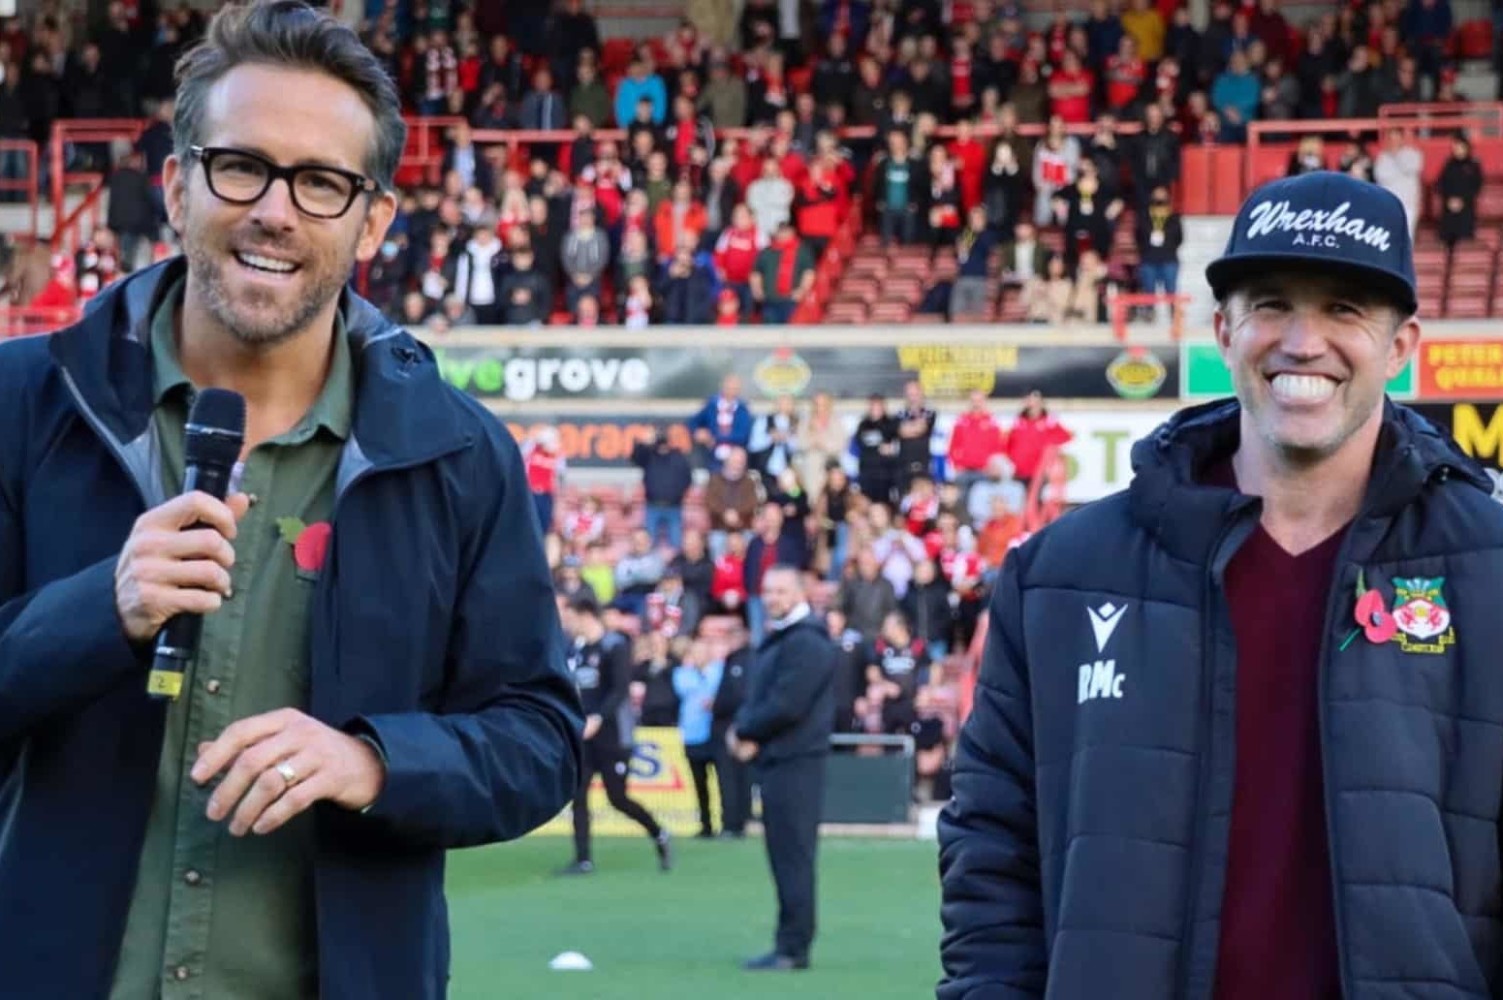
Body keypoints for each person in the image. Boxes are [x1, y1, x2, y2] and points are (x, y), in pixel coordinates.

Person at [0, 5, 584, 997]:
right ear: (179, 182)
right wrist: (98, 610)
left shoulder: (460, 453)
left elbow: (540, 740)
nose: (276, 209)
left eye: (321, 182)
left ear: (374, 218)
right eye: (242, 166)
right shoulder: (22, 404)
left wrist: (376, 761)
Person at [939, 169, 1503, 998]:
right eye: (1270, 303)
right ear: (1222, 331)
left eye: (1343, 308)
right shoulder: (1059, 576)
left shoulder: (1490, 570)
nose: (1302, 341)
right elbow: (991, 863)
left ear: (1400, 346)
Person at [729, 566, 837, 971]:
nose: (771, 597)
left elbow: (787, 703)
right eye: (767, 590)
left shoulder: (807, 642)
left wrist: (745, 730)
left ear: (799, 592)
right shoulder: (784, 639)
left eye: (780, 590)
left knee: (793, 857)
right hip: (778, 760)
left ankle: (793, 948)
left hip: (795, 763)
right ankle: (787, 943)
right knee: (784, 857)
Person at [559, 594, 673, 876]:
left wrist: (598, 718)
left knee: (617, 797)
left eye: (569, 618)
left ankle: (658, 832)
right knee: (579, 794)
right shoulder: (576, 649)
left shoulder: (615, 646)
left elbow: (619, 690)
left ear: (584, 614)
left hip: (612, 734)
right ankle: (583, 858)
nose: (567, 624)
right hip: (583, 734)